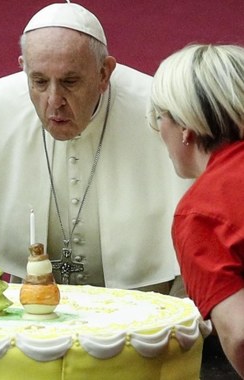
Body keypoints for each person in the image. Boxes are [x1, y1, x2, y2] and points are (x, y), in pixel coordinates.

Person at [0, 2, 190, 293]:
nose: (54, 101)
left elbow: (194, 243)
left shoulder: (161, 114)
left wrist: (175, 326)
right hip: (28, 316)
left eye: (70, 82)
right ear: (23, 68)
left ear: (104, 73)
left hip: (143, 313)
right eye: (39, 81)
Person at [149, 43, 244, 378]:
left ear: (185, 127)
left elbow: (241, 335)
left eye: (158, 117)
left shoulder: (201, 212)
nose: (157, 129)